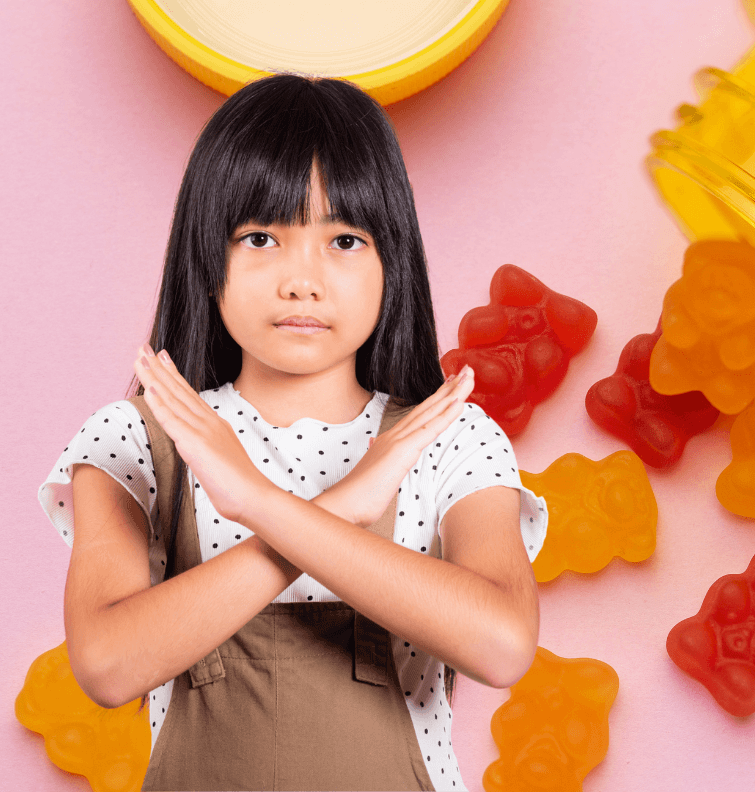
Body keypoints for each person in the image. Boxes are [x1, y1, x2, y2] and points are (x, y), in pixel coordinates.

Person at [38, 74, 546, 792]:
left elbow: (501, 646)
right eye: (259, 238)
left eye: (344, 239)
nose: (301, 281)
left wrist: (258, 502)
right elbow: (107, 665)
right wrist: (342, 506)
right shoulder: (137, 440)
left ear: (390, 261)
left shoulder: (446, 438)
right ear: (206, 256)